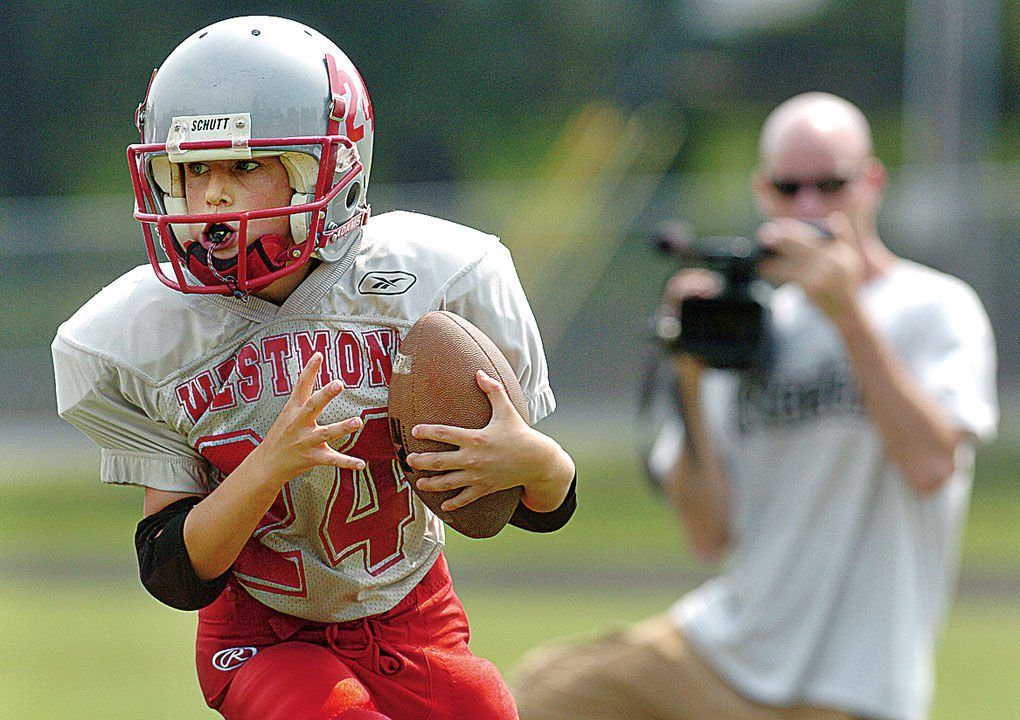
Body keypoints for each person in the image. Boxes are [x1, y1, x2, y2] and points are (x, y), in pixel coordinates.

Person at [51, 16, 576, 720]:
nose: (212, 196)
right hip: (261, 634)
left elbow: (541, 511)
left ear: (327, 170)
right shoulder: (141, 331)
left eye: (244, 166)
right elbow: (174, 572)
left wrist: (534, 462)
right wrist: (267, 466)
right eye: (192, 169)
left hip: (413, 614)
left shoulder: (438, 277)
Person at [512, 92, 998, 720]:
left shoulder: (933, 306)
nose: (810, 207)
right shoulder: (749, 324)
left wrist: (847, 315)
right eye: (788, 188)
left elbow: (932, 465)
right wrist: (687, 372)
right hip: (724, 652)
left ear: (872, 183)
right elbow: (706, 534)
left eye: (831, 185)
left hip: (857, 683)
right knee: (544, 691)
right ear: (762, 192)